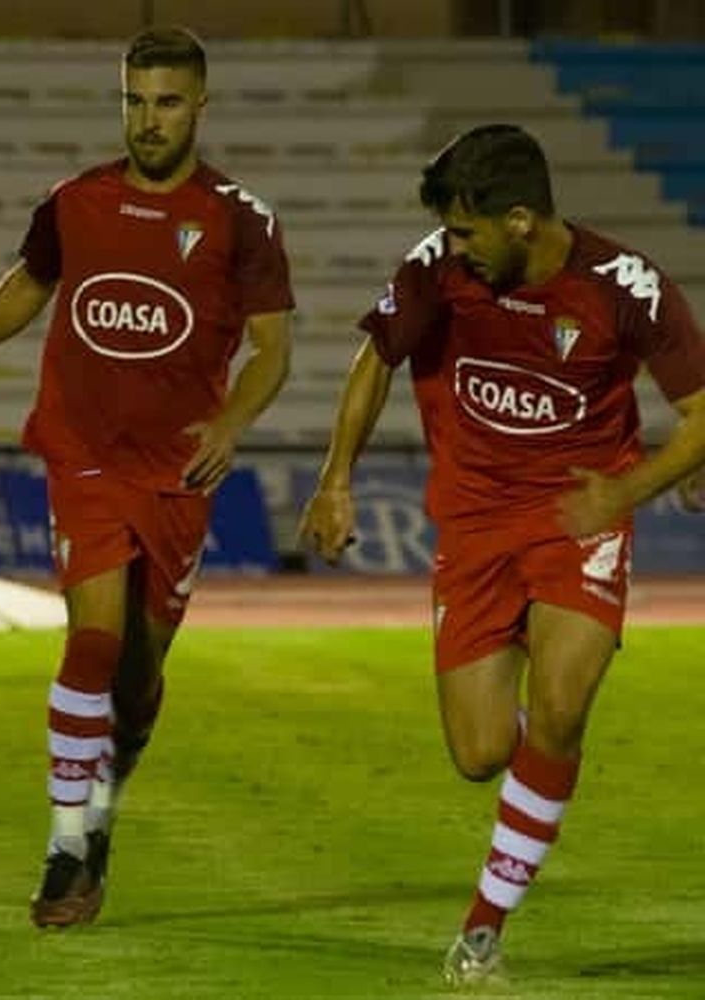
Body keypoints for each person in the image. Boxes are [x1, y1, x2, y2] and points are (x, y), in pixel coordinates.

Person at [299, 124, 705, 984]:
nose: (455, 249)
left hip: (578, 518)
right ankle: (541, 777)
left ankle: (484, 927)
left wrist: (629, 492)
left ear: (519, 219)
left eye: (466, 232)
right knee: (483, 753)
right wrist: (337, 478)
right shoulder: (437, 270)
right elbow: (375, 358)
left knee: (560, 707)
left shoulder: (622, 286)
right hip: (475, 527)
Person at [0, 26, 294, 928]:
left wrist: (233, 421)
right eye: (134, 100)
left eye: (166, 102)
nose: (148, 120)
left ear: (199, 105)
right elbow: (29, 282)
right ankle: (64, 846)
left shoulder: (242, 218)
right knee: (89, 644)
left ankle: (102, 807)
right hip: (83, 455)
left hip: (177, 470)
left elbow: (273, 349)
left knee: (137, 674)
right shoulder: (74, 201)